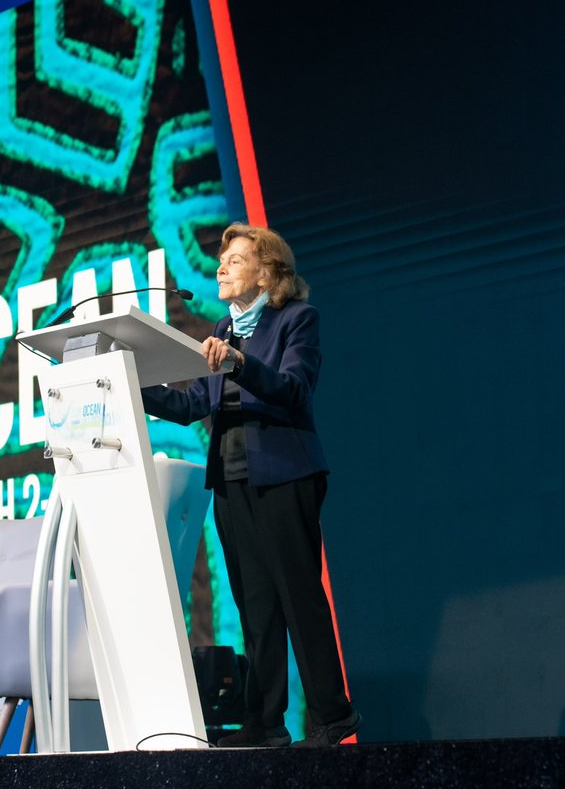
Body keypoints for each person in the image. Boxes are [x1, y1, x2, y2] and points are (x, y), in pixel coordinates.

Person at [142, 223, 360, 747]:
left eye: (235, 260)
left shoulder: (294, 320)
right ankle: (265, 724)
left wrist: (240, 362)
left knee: (299, 598)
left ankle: (333, 717)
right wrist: (133, 381)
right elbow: (193, 403)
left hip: (285, 475)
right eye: (222, 260)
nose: (221, 267)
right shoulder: (223, 328)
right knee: (256, 606)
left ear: (267, 273)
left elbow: (293, 389)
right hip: (232, 483)